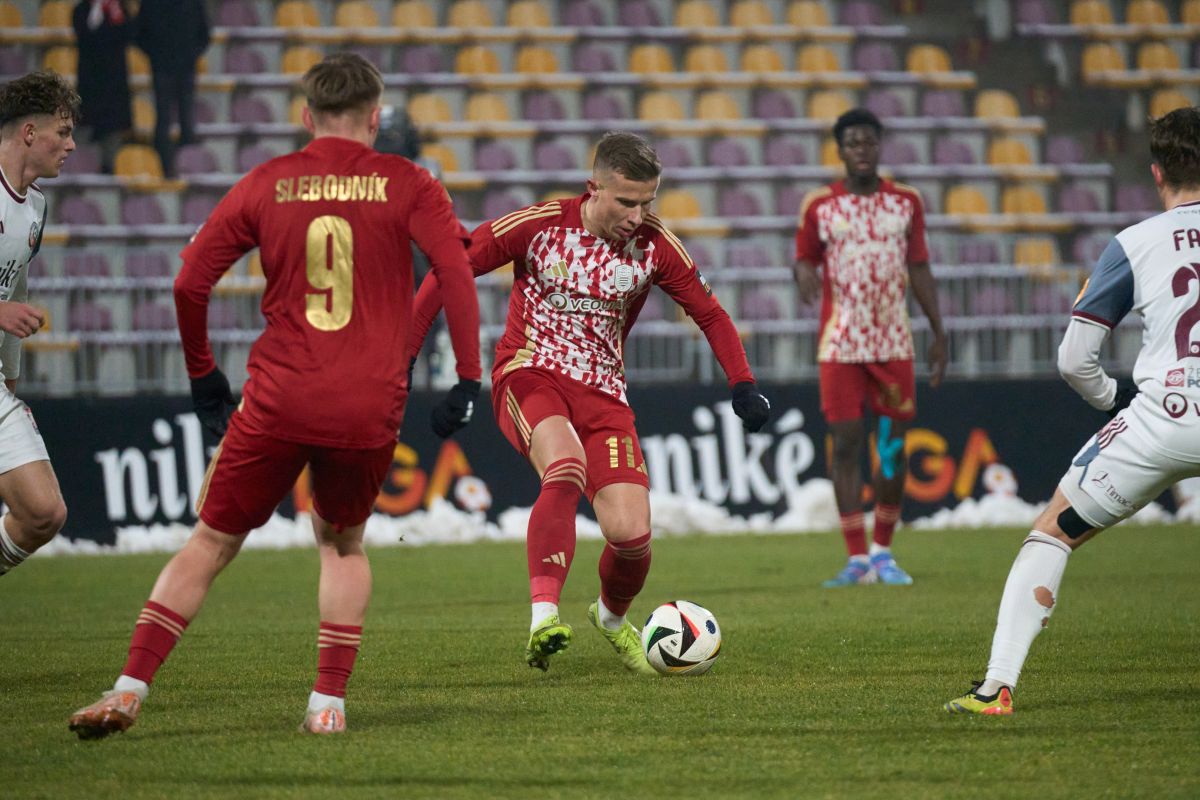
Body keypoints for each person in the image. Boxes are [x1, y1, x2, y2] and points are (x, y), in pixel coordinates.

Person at [68, 53, 482, 738]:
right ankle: (327, 706)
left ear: (304, 115)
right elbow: (455, 274)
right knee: (343, 544)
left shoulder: (268, 181)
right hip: (367, 401)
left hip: (280, 394)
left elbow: (188, 283)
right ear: (376, 118)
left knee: (210, 543)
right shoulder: (409, 182)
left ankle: (128, 689)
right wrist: (469, 376)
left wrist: (204, 375)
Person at [409, 131, 771, 675]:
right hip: (530, 373)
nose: (637, 215)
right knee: (565, 466)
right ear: (593, 188)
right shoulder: (538, 226)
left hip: (605, 394)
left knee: (631, 536)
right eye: (626, 201)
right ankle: (543, 619)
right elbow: (450, 271)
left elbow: (712, 315)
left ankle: (608, 619)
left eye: (647, 201)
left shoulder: (655, 246)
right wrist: (405, 361)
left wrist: (742, 383)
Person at [945, 106, 1200, 715]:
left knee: (1052, 534)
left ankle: (997, 688)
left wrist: (1112, 402)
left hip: (1163, 418)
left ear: (1156, 173)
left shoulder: (1135, 244)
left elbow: (1074, 357)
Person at [793, 108, 947, 588]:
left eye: (869, 142)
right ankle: (856, 557)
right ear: (839, 150)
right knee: (846, 444)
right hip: (840, 343)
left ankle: (883, 551)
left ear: (880, 146)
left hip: (892, 340)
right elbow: (802, 257)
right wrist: (803, 275)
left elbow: (918, 266)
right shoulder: (820, 205)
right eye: (852, 143)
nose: (861, 150)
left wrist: (938, 330)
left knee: (892, 446)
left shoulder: (906, 202)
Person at [0, 72, 77, 577]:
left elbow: (16, 288)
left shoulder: (36, 208)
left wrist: (8, 375)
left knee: (44, 512)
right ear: (31, 133)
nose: (70, 145)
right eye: (64, 131)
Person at [133, 0, 210, 177]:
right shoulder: (152, 4)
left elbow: (204, 34)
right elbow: (138, 34)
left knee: (185, 119)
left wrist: (190, 55)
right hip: (164, 67)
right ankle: (164, 168)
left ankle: (188, 168)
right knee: (164, 119)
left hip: (179, 67)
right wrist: (156, 56)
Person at [72, 0, 134, 174]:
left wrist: (117, 15)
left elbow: (130, 35)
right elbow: (83, 35)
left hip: (114, 87)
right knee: (83, 133)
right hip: (89, 86)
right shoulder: (81, 10)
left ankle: (109, 171)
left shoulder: (120, 10)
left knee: (112, 136)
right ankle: (76, 172)